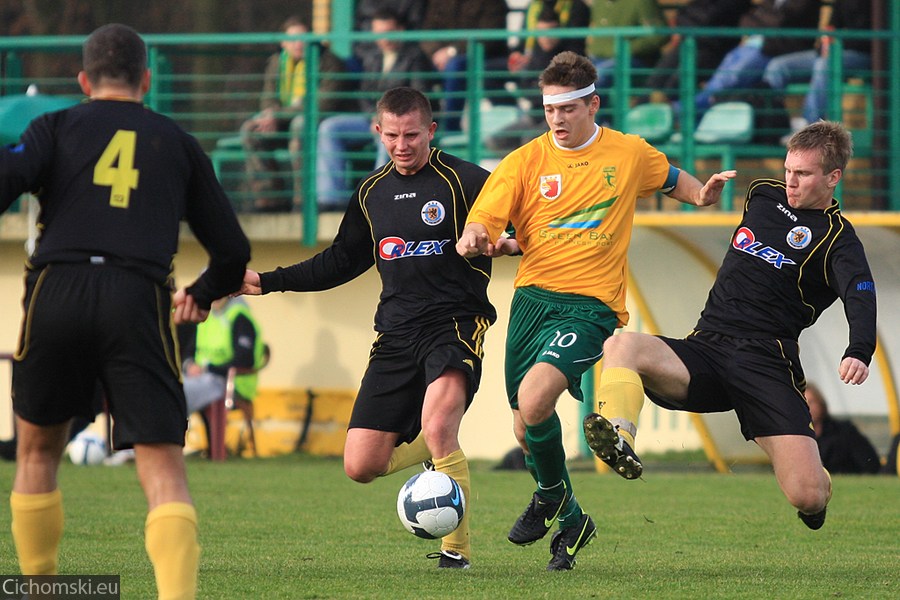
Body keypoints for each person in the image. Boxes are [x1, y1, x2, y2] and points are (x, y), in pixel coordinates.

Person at [456, 51, 735, 571]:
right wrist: (476, 235)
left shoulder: (627, 154)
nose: (557, 120)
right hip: (531, 303)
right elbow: (486, 219)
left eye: (567, 108)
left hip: (591, 306)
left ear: (591, 104)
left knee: (537, 401)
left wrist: (702, 195)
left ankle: (548, 499)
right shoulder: (524, 162)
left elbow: (672, 177)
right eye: (548, 110)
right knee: (524, 429)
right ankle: (569, 517)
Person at [0, 23, 251, 599]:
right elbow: (233, 251)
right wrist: (203, 292)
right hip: (137, 296)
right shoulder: (177, 141)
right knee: (163, 466)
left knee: (37, 452)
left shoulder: (53, 126)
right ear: (147, 79)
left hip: (56, 290)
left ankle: (39, 589)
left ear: (83, 80)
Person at [239, 87, 497, 569]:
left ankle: (455, 553)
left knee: (441, 424)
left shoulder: (466, 180)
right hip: (396, 335)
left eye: (413, 135)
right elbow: (340, 261)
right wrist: (267, 281)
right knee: (361, 465)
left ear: (431, 131)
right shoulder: (371, 193)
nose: (403, 145)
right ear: (378, 132)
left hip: (455, 323)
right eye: (393, 136)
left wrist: (503, 242)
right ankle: (432, 453)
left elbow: (519, 228)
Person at [583, 121, 876, 533]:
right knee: (622, 346)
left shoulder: (838, 241)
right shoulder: (762, 195)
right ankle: (620, 439)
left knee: (806, 496)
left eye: (804, 175)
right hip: (707, 347)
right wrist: (702, 195)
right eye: (789, 170)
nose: (791, 182)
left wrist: (859, 350)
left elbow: (861, 294)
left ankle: (818, 481)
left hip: (766, 364)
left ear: (833, 178)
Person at [316, 8, 434, 209]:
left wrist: (386, 122)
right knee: (329, 128)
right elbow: (365, 93)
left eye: (388, 31)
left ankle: (379, 199)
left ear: (401, 30)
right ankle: (330, 198)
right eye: (378, 33)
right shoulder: (373, 57)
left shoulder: (415, 57)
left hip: (401, 125)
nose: (384, 38)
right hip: (372, 120)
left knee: (391, 139)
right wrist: (375, 117)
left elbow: (418, 97)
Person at [239, 16, 354, 212]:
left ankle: (303, 202)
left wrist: (278, 115)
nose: (299, 44)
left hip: (318, 121)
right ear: (283, 43)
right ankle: (270, 200)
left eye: (303, 38)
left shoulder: (329, 61)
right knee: (251, 129)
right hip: (282, 121)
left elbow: (322, 103)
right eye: (292, 39)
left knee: (301, 125)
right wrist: (269, 115)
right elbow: (268, 97)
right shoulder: (276, 62)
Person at [682, 0, 821, 119]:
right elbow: (746, 20)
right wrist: (766, 24)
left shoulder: (803, 2)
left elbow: (781, 22)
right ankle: (701, 104)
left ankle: (695, 105)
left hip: (779, 49)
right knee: (727, 67)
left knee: (735, 75)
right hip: (756, 45)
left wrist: (761, 23)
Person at [484, 0, 592, 151]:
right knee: (496, 141)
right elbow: (527, 87)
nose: (546, 37)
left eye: (550, 32)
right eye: (541, 32)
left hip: (555, 119)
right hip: (534, 115)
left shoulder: (565, 61)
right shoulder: (532, 58)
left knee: (530, 140)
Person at [762, 0, 872, 135]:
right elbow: (832, 26)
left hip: (864, 55)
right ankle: (770, 127)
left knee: (824, 64)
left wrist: (836, 44)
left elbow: (868, 38)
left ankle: (808, 129)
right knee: (778, 66)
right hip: (835, 51)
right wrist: (826, 43)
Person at [419, 0, 509, 132]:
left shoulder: (492, 3)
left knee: (454, 67)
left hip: (484, 56)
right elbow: (426, 32)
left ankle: (450, 129)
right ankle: (425, 127)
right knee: (417, 65)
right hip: (439, 56)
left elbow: (488, 36)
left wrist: (451, 51)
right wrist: (436, 53)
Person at [641, 0, 753, 104]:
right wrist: (686, 22)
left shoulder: (735, 2)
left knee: (672, 89)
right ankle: (637, 119)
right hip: (690, 44)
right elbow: (683, 15)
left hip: (711, 51)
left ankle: (666, 119)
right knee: (653, 84)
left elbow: (708, 18)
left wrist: (685, 22)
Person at [181, 296, 266, 415]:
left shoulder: (239, 316)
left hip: (232, 384)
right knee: (170, 387)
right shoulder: (206, 316)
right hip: (202, 378)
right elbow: (189, 351)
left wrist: (208, 369)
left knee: (181, 392)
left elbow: (245, 359)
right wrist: (189, 365)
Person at [586, 0, 668, 123]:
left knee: (598, 76)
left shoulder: (642, 3)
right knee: (576, 76)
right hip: (598, 59)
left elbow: (660, 34)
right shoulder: (599, 3)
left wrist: (625, 49)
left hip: (634, 61)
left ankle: (591, 128)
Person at [804, 383, 881, 474]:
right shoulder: (794, 436)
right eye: (803, 403)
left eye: (812, 402)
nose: (808, 407)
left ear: (821, 404)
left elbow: (870, 462)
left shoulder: (844, 431)